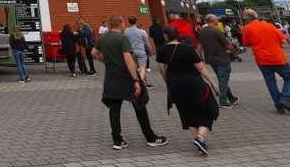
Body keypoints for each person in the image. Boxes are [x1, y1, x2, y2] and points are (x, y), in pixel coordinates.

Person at [92, 15, 168, 150]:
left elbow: (94, 53)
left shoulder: (103, 38)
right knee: (140, 106)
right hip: (126, 77)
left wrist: (106, 61)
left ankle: (117, 140)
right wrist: (136, 79)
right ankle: (150, 137)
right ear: (120, 23)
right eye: (123, 23)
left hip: (111, 78)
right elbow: (128, 60)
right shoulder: (122, 39)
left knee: (114, 109)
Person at [157, 26, 219, 156]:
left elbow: (162, 69)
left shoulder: (161, 50)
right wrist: (212, 82)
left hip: (176, 87)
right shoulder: (188, 49)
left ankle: (199, 143)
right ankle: (200, 138)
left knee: (187, 114)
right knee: (209, 110)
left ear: (166, 36)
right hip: (194, 84)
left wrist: (168, 82)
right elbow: (200, 68)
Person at [241, 9, 290, 114]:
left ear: (246, 18)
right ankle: (285, 98)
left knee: (270, 82)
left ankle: (279, 106)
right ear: (256, 16)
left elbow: (246, 43)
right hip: (278, 58)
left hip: (262, 60)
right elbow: (283, 39)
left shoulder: (246, 29)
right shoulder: (269, 26)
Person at [198, 14, 238, 109]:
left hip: (210, 60)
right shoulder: (216, 31)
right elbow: (227, 45)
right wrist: (234, 51)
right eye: (216, 19)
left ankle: (231, 98)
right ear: (212, 20)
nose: (218, 21)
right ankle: (223, 101)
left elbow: (199, 46)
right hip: (221, 59)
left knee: (221, 78)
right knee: (223, 79)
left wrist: (199, 57)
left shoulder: (202, 32)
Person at [124, 16, 153, 87]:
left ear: (129, 22)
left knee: (136, 68)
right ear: (136, 22)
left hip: (131, 52)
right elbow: (147, 43)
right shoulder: (141, 32)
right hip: (141, 52)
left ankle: (147, 83)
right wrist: (150, 51)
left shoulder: (125, 31)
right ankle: (141, 83)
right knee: (143, 68)